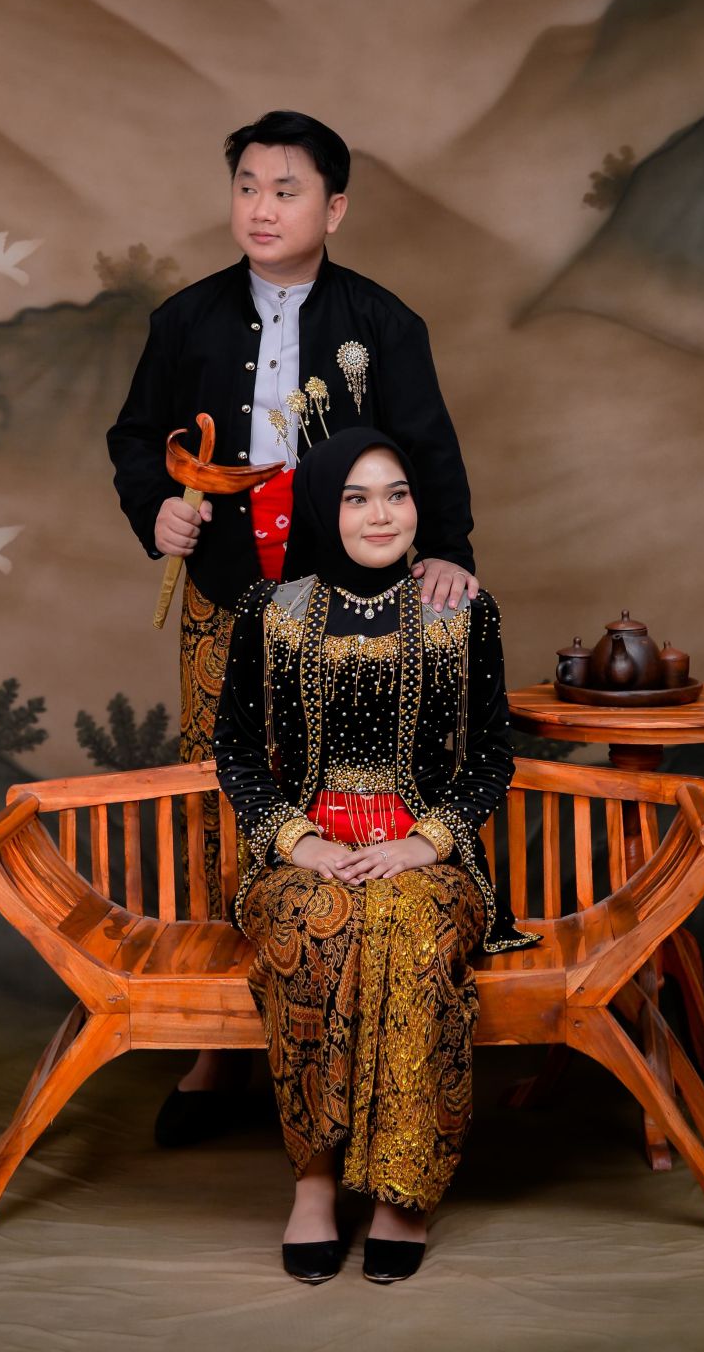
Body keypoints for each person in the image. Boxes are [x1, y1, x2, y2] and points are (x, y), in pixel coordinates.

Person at [107, 111, 479, 1144]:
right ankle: (219, 1042)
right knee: (217, 787)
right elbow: (136, 439)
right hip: (226, 590)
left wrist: (449, 546)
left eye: (286, 190)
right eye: (247, 188)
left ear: (334, 207)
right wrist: (156, 509)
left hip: (342, 600)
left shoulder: (383, 322)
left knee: (340, 775)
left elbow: (428, 448)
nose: (261, 208)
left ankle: (348, 996)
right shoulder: (185, 318)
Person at [213, 429, 537, 1283]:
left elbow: (491, 758)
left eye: (396, 493)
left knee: (409, 925)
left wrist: (422, 843)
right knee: (317, 926)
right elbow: (236, 752)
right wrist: (302, 843)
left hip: (427, 855)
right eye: (355, 498)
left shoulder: (461, 610)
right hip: (302, 854)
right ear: (323, 507)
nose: (381, 514)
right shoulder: (271, 611)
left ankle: (402, 1190)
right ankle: (314, 1183)